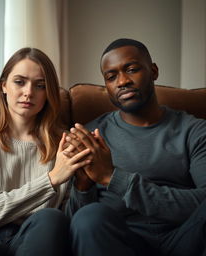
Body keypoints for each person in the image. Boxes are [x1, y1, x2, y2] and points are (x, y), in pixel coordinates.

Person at [65, 38, 206, 256]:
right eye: (111, 77)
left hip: (184, 239)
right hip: (122, 243)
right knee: (89, 218)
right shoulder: (91, 135)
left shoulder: (194, 130)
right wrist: (83, 187)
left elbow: (202, 202)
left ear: (154, 71)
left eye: (131, 69)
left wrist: (113, 178)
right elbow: (76, 225)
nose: (122, 81)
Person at [0, 47, 91, 256]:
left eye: (40, 85)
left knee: (52, 218)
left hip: (34, 232)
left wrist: (83, 185)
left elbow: (72, 222)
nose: (28, 92)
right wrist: (51, 179)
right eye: (19, 81)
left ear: (48, 94)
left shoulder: (64, 142)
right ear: (4, 85)